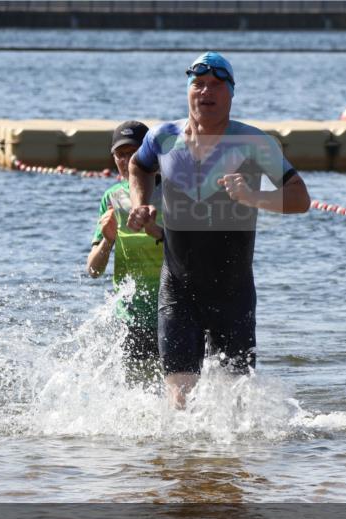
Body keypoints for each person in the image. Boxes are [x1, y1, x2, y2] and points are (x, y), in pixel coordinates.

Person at [127, 52, 311, 408]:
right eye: (198, 84)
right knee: (180, 402)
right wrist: (141, 203)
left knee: (234, 406)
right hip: (178, 289)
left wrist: (254, 196)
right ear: (188, 90)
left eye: (215, 85)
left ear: (231, 93)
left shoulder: (255, 144)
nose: (205, 92)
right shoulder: (162, 138)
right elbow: (138, 166)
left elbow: (300, 198)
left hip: (233, 292)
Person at [86, 120, 164, 381]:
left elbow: (193, 255)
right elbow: (93, 271)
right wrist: (108, 241)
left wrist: (157, 231)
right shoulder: (111, 198)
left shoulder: (173, 193)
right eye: (120, 154)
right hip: (131, 318)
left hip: (172, 311)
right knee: (134, 389)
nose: (126, 160)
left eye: (133, 153)